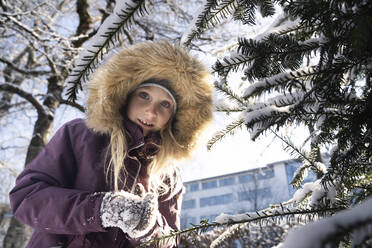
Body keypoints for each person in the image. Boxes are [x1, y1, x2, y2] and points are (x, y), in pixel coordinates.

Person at [9, 41, 213, 248]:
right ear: (125, 95)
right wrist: (102, 209)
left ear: (176, 116)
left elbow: (170, 240)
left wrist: (149, 229)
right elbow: (27, 198)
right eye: (144, 95)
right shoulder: (81, 135)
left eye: (165, 104)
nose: (151, 112)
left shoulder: (169, 175)